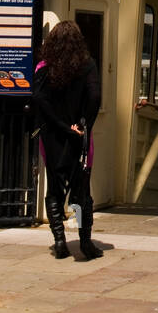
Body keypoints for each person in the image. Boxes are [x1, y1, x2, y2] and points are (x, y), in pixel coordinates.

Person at [33, 20, 101, 260]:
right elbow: (94, 97)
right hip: (79, 137)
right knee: (82, 191)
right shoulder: (88, 65)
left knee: (54, 188)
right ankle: (85, 243)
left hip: (52, 136)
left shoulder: (43, 67)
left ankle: (60, 241)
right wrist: (82, 125)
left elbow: (40, 100)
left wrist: (60, 126)